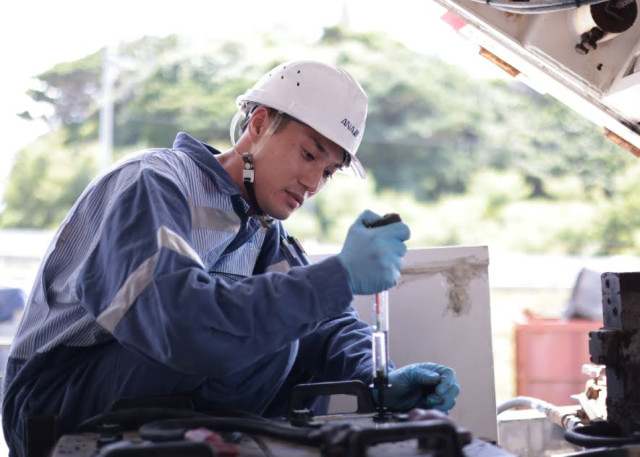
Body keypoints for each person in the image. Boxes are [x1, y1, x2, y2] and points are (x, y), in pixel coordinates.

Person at [2, 60, 460, 456]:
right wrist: (338, 275)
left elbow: (325, 323)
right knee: (261, 334)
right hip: (54, 399)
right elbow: (174, 320)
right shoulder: (154, 183)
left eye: (327, 171)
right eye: (307, 154)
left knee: (283, 328)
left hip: (136, 393)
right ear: (259, 124)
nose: (314, 182)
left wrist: (378, 378)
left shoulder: (261, 230)